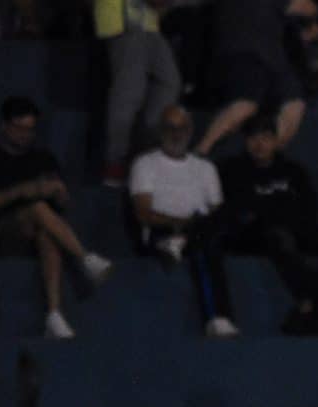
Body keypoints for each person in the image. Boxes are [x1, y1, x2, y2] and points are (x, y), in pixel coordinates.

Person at [0, 96, 114, 341]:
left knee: (46, 233)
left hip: (39, 229)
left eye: (30, 129)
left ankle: (54, 315)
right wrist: (23, 190)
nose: (25, 134)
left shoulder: (44, 158)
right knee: (36, 207)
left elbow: (63, 203)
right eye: (19, 128)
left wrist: (58, 192)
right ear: (5, 126)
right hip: (3, 232)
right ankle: (85, 258)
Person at [220, 109, 318, 335]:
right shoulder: (234, 172)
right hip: (256, 236)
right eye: (253, 137)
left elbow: (310, 209)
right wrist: (275, 212)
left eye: (265, 137)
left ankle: (311, 301)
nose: (259, 143)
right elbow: (240, 212)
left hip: (298, 229)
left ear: (275, 140)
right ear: (245, 141)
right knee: (278, 235)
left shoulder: (293, 171)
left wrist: (279, 213)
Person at [129, 105, 240, 339]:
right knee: (204, 241)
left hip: (197, 232)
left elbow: (216, 213)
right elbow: (143, 213)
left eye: (182, 128)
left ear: (190, 131)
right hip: (161, 233)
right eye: (170, 128)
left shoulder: (206, 168)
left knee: (215, 226)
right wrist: (183, 224)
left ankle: (183, 240)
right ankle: (217, 318)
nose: (176, 133)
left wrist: (194, 227)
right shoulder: (145, 164)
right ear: (161, 131)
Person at [195, 0, 306, 158]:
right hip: (239, 58)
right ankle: (200, 151)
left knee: (295, 105)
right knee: (246, 105)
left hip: (273, 63)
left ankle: (272, 156)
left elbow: (308, 11)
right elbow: (306, 7)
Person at [96, 0, 181, 186]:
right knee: (129, 92)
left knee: (168, 82)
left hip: (148, 23)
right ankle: (115, 163)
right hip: (121, 17)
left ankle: (146, 151)